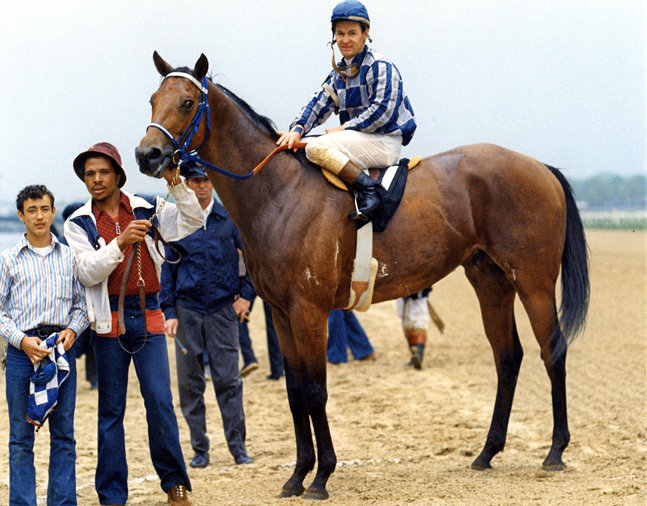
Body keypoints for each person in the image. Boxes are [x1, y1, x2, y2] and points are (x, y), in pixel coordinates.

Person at [64, 142, 203, 506]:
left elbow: (193, 220)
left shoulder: (147, 206)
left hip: (150, 311)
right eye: (89, 173)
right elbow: (86, 271)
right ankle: (112, 496)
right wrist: (120, 242)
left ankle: (175, 484)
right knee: (111, 410)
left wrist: (176, 184)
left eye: (103, 172)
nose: (95, 179)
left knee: (159, 401)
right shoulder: (77, 222)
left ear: (118, 175)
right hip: (108, 318)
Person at [277, 0, 416, 221]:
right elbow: (318, 104)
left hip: (384, 141)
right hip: (358, 140)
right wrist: (297, 129)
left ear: (365, 33)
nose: (345, 40)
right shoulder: (339, 73)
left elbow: (382, 111)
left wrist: (343, 128)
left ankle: (370, 191)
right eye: (340, 33)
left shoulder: (380, 66)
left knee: (314, 148)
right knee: (303, 144)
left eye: (352, 33)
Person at [160, 162, 255, 468]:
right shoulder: (176, 220)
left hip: (222, 312)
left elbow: (253, 258)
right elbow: (168, 268)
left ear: (213, 182)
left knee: (229, 381)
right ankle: (200, 450)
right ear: (185, 184)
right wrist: (169, 311)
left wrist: (246, 297)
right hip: (187, 311)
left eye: (205, 180)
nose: (200, 186)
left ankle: (238, 449)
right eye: (194, 180)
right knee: (190, 384)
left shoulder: (230, 218)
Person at [0, 184, 89, 506]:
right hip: (22, 353)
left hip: (61, 353)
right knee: (21, 438)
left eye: (44, 209)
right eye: (32, 210)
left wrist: (73, 330)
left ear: (53, 212)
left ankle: (62, 502)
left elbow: (82, 305)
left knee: (63, 434)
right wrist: (21, 340)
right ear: (21, 215)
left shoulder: (70, 257)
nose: (39, 216)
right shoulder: (8, 260)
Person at [60, 202, 98, 389]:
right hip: (82, 300)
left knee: (77, 344)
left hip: (74, 303)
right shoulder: (88, 240)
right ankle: (93, 379)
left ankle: (78, 380)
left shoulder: (59, 241)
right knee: (88, 343)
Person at [238, 295, 284, 380]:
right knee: (273, 321)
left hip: (251, 284)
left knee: (240, 315)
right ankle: (277, 369)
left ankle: (249, 358)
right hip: (269, 283)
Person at [396, 287, 432, 369]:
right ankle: (415, 354)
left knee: (419, 317)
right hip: (400, 287)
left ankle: (419, 352)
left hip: (418, 288)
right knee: (405, 317)